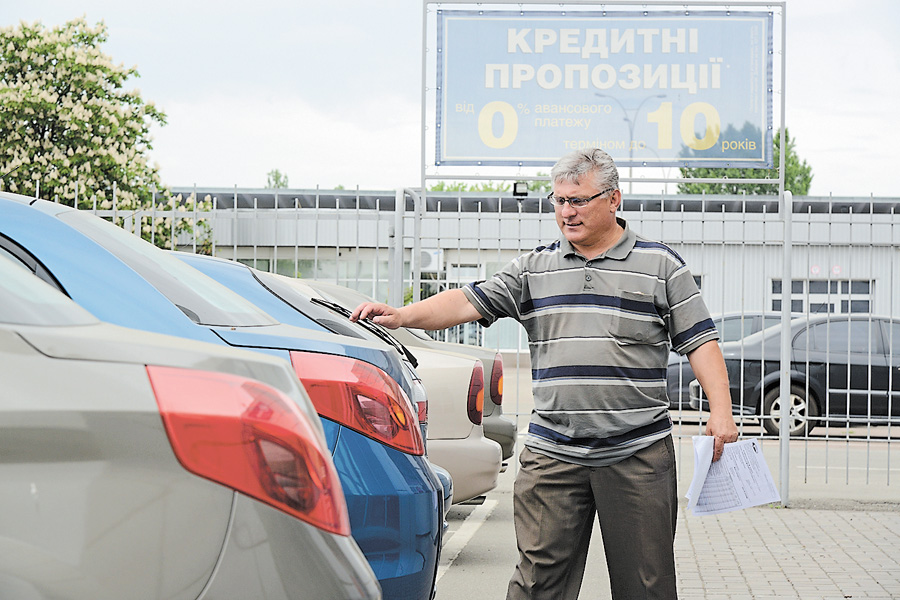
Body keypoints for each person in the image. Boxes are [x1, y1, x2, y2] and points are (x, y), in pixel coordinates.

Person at [350, 148, 738, 600]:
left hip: (637, 454)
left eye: (578, 200)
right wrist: (401, 315)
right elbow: (465, 301)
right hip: (554, 453)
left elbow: (700, 341)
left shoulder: (661, 266)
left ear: (614, 199)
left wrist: (722, 412)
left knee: (647, 586)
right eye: (558, 201)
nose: (566, 212)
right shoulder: (534, 268)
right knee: (538, 585)